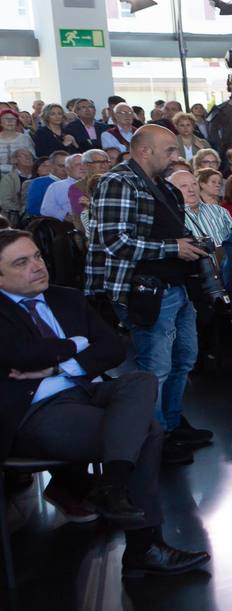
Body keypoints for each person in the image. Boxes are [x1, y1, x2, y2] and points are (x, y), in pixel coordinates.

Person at [0, 229, 209, 576]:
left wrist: (56, 364)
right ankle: (142, 545)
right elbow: (20, 354)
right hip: (38, 409)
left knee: (140, 380)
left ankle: (110, 486)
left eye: (37, 256)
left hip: (91, 390)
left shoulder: (65, 297)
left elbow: (113, 347)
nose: (37, 266)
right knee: (149, 431)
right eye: (21, 263)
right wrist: (78, 343)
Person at [84, 125, 214, 461]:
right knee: (155, 368)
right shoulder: (119, 181)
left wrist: (187, 246)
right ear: (145, 151)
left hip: (177, 285)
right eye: (170, 150)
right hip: (144, 289)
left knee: (183, 359)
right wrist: (173, 248)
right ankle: (152, 436)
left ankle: (171, 424)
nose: (177, 156)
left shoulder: (160, 185)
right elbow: (115, 242)